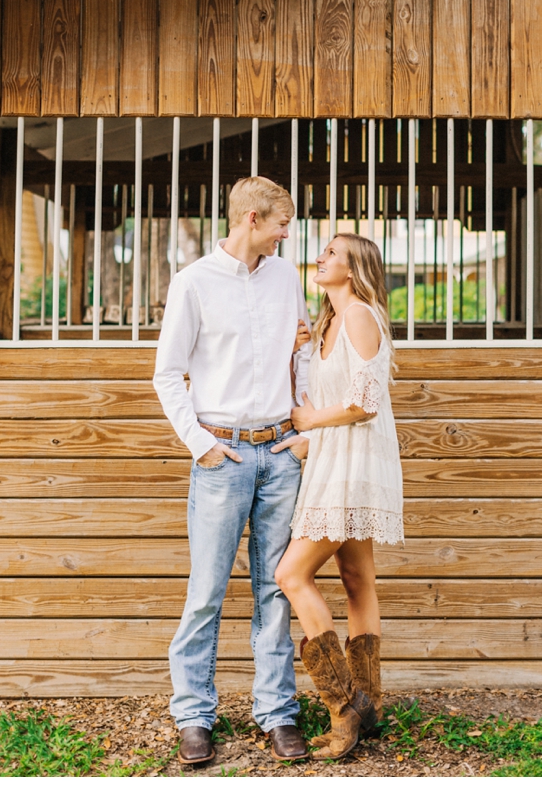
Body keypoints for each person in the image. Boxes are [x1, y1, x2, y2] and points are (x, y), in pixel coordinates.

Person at [153, 176, 312, 767]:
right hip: (222, 455)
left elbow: (301, 356)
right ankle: (194, 715)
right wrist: (202, 446)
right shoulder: (192, 282)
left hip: (280, 454)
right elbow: (167, 374)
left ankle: (278, 714)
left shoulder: (286, 277)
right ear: (251, 219)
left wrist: (301, 436)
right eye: (280, 224)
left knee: (276, 589)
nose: (286, 234)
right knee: (206, 592)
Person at [271, 232, 404, 760]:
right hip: (332, 456)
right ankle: (368, 704)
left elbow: (366, 403)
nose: (319, 258)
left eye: (331, 254)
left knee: (291, 575)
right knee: (355, 579)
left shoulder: (359, 316)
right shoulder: (328, 323)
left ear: (352, 270)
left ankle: (342, 706)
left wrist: (310, 420)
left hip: (356, 462)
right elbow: (323, 392)